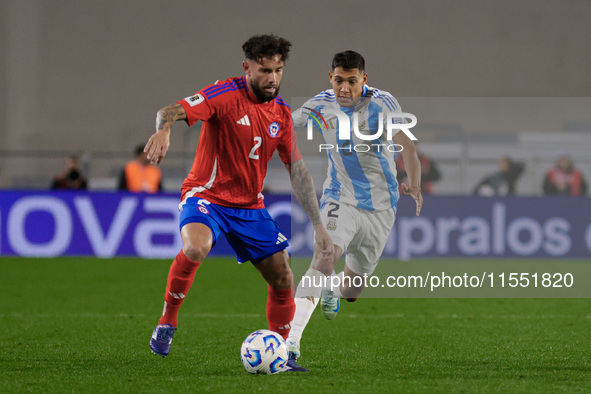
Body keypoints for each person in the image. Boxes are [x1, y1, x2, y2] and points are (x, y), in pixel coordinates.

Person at [144, 34, 333, 372]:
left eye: (278, 70)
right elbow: (169, 111)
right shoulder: (224, 94)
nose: (272, 78)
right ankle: (167, 321)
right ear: (247, 67)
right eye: (264, 70)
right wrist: (165, 129)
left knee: (282, 275)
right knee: (196, 248)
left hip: (249, 207)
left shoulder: (282, 114)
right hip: (207, 196)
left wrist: (318, 224)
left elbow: (298, 171)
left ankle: (282, 353)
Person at [287, 50, 423, 370]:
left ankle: (332, 286)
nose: (344, 89)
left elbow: (408, 145)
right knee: (324, 256)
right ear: (330, 79)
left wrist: (414, 183)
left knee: (350, 292)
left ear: (364, 79)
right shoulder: (319, 104)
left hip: (381, 208)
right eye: (338, 81)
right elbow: (279, 127)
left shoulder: (384, 102)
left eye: (351, 81)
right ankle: (291, 341)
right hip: (340, 198)